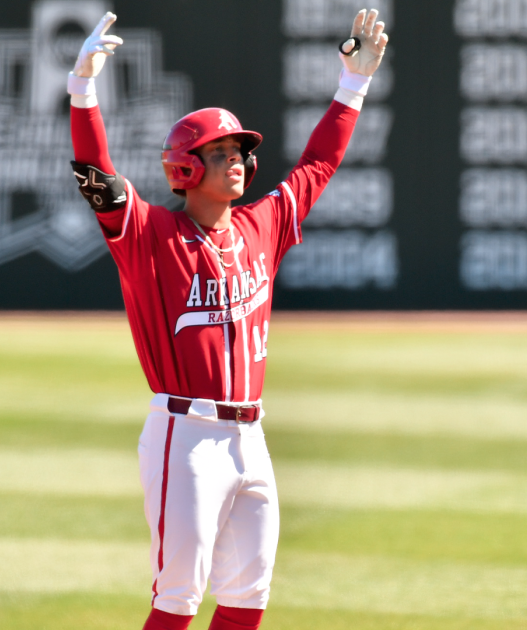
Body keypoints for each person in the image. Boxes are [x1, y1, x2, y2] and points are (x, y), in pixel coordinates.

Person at [67, 8, 389, 630]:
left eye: (239, 149)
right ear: (185, 169)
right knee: (177, 601)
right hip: (184, 437)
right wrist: (83, 96)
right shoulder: (151, 236)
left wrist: (354, 86)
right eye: (218, 153)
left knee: (247, 601)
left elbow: (317, 166)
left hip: (252, 437)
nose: (236, 160)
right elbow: (99, 181)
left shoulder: (259, 225)